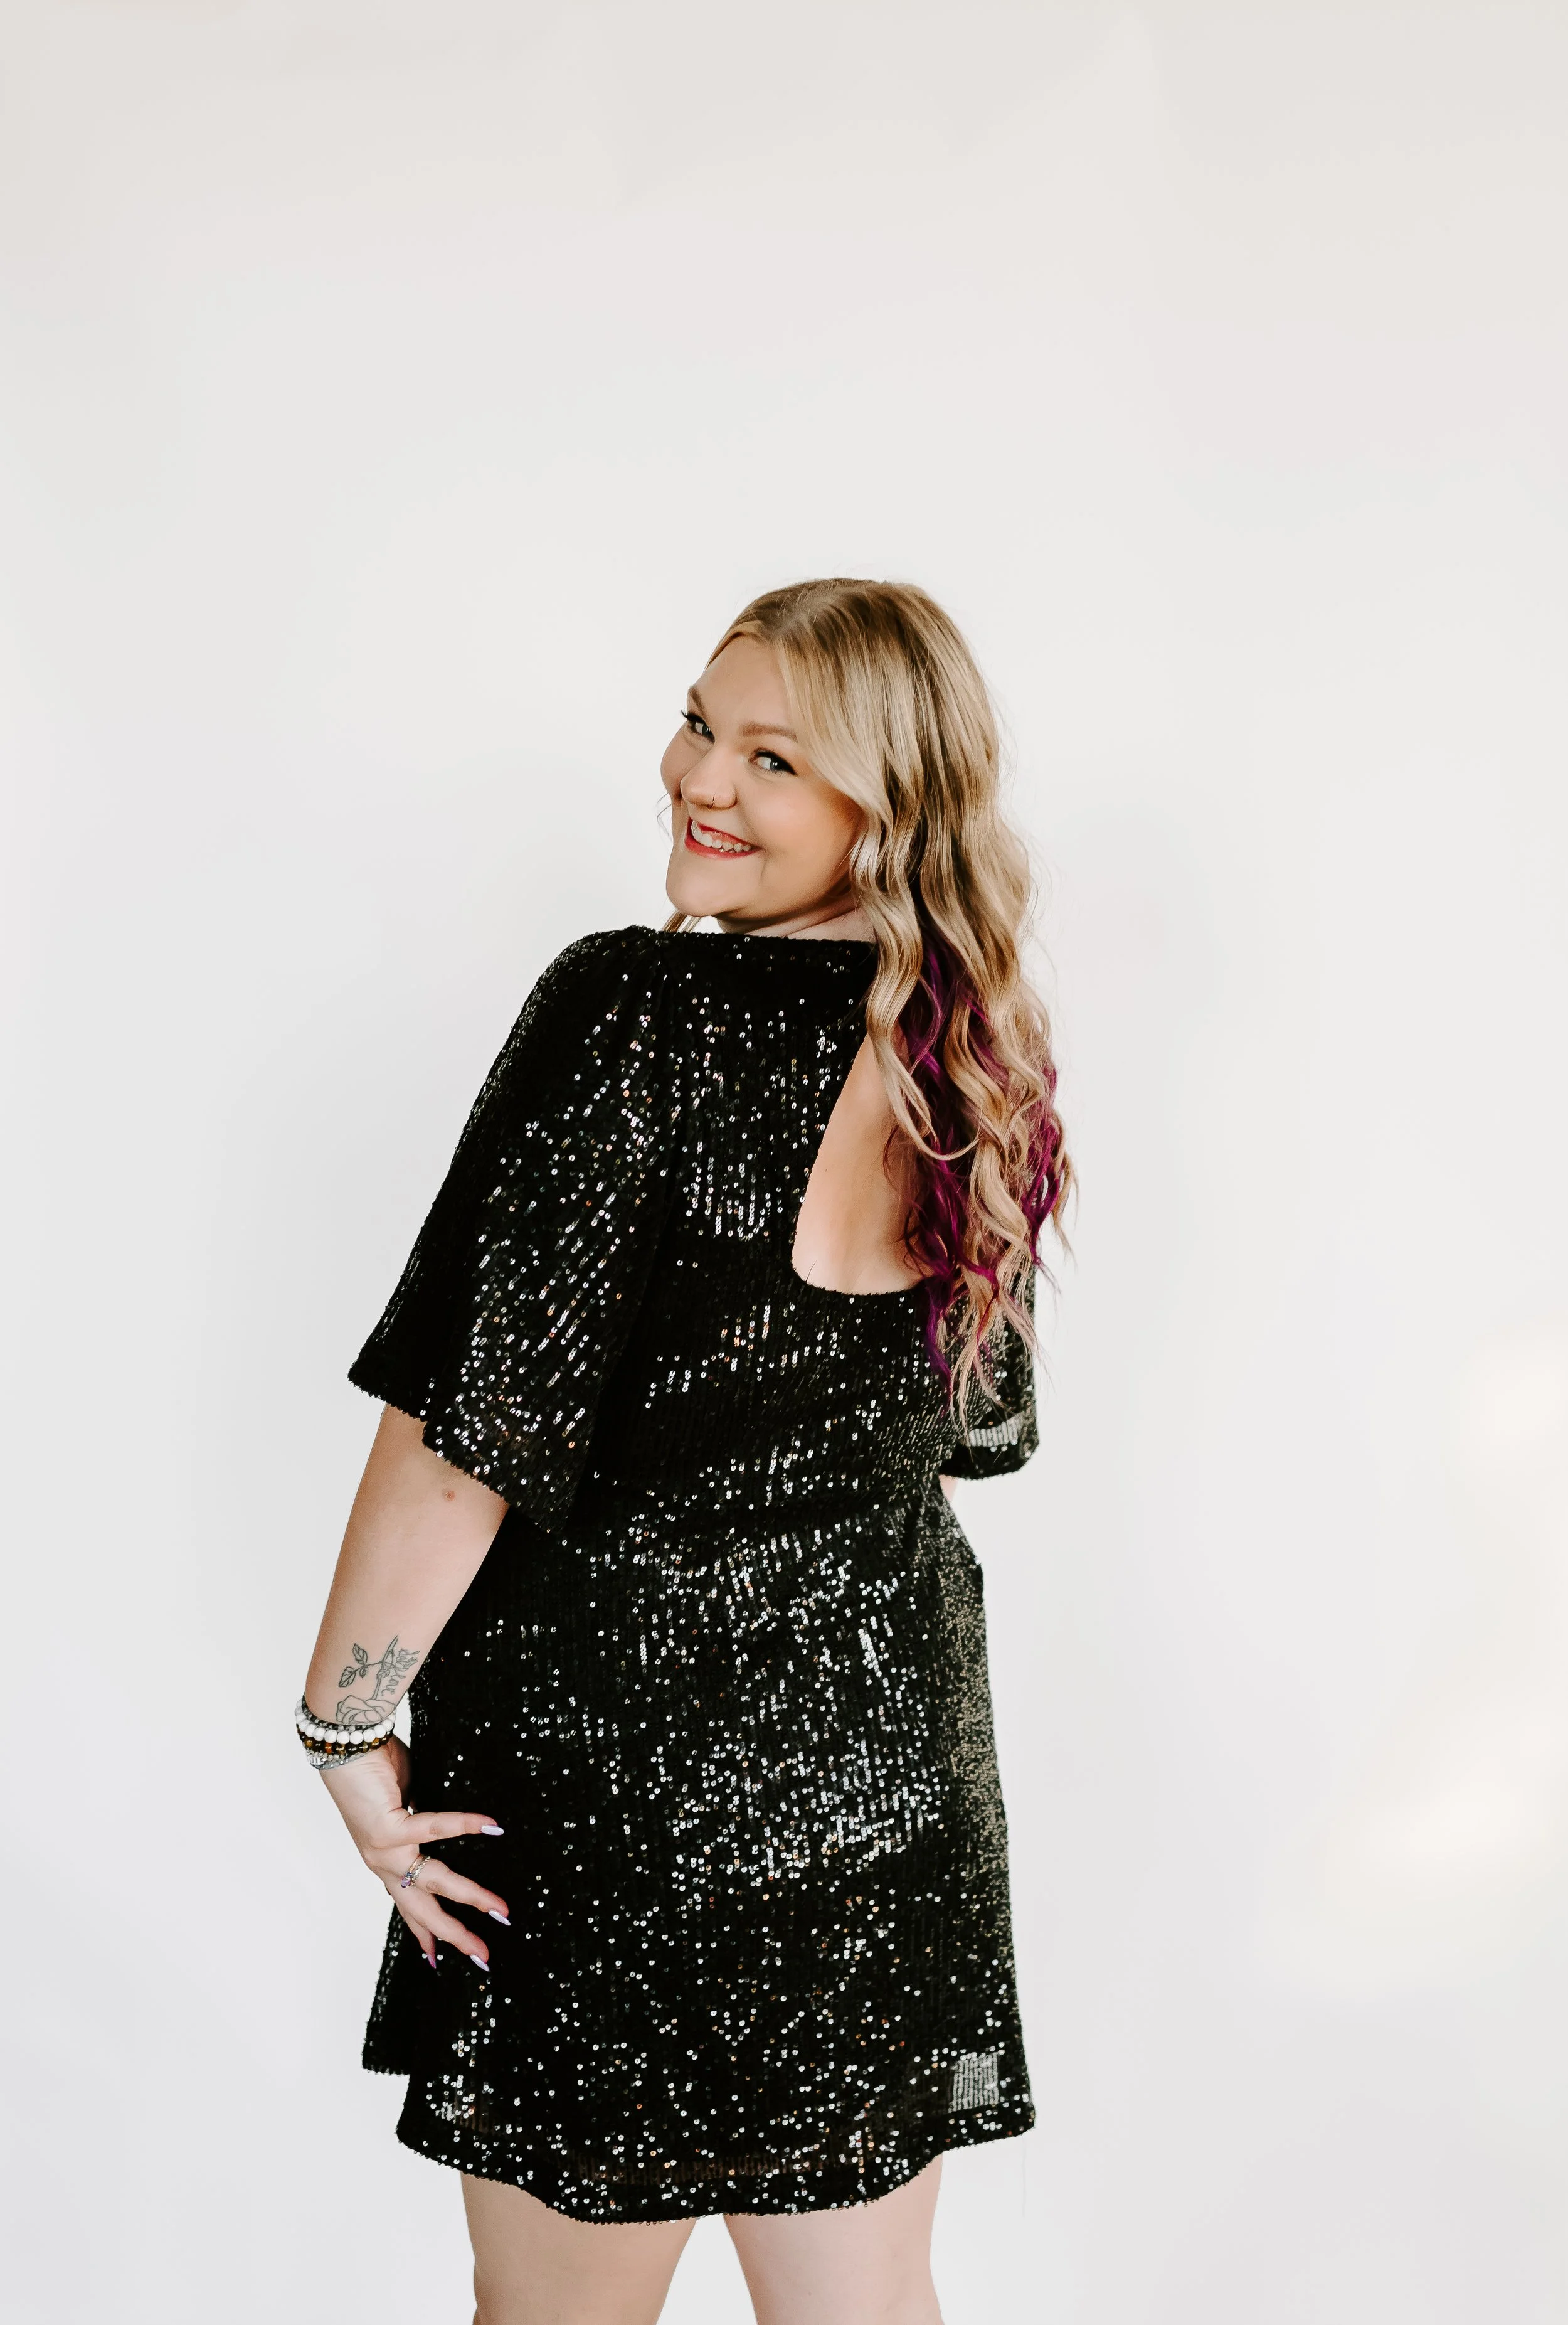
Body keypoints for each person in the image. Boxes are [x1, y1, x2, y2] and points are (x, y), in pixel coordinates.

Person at [299, 578, 1071, 2325]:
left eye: (774, 758)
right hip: (887, 1788)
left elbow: (468, 1436)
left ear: (890, 803)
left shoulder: (635, 1014)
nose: (700, 778)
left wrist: (344, 1727)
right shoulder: (970, 1050)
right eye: (701, 724)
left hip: (612, 1797)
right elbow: (949, 1440)